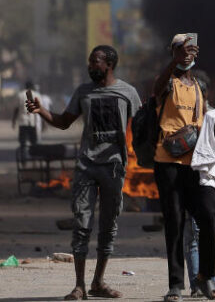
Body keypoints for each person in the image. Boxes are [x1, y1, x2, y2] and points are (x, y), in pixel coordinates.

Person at [26, 45, 141, 300]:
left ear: (109, 64)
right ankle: (79, 285)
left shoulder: (128, 93)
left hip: (113, 167)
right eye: (90, 62)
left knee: (108, 226)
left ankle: (98, 283)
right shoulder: (83, 92)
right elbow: (64, 122)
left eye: (95, 62)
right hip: (86, 166)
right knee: (81, 224)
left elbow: (142, 126)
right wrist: (41, 111)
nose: (90, 66)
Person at [153, 35, 215, 302]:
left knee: (209, 213)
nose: (185, 55)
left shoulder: (200, 86)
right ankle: (175, 285)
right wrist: (174, 63)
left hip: (195, 163)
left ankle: (206, 276)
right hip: (167, 162)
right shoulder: (168, 82)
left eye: (189, 50)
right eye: (180, 50)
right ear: (173, 53)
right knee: (175, 222)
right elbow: (156, 88)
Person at [183, 72, 215, 298]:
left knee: (207, 227)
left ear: (205, 94)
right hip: (184, 179)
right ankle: (199, 283)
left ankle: (206, 276)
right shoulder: (180, 116)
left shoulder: (214, 117)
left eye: (198, 92)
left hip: (208, 180)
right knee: (191, 233)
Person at [12, 80, 43, 162]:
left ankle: (23, 159)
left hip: (23, 122)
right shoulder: (37, 95)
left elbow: (16, 109)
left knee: (23, 143)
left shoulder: (20, 95)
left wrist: (13, 121)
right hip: (33, 122)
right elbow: (40, 109)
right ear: (32, 86)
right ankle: (34, 159)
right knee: (34, 142)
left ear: (25, 86)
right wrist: (42, 122)